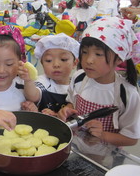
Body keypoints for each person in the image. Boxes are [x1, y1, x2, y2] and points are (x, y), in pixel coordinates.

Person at [58, 17, 140, 147]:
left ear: (119, 58)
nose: (89, 60)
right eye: (84, 52)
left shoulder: (127, 94)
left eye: (98, 54)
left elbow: (131, 139)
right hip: (77, 148)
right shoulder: (79, 78)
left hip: (106, 159)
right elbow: (72, 104)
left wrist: (102, 135)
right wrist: (67, 110)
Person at [18, 33, 79, 116]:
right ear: (42, 63)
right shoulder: (44, 81)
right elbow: (33, 96)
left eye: (63, 59)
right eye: (49, 60)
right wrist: (28, 81)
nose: (56, 64)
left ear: (74, 63)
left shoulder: (78, 84)